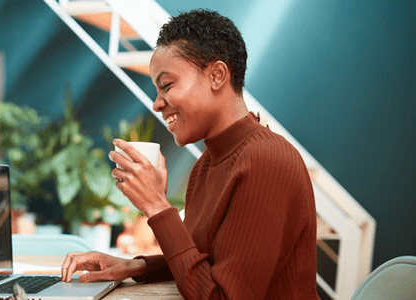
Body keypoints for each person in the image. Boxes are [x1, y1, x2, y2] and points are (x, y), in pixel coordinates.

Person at [61, 9, 320, 300]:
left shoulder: (266, 161)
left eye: (167, 85)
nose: (157, 104)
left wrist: (157, 206)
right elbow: (205, 263)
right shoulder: (206, 164)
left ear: (217, 75)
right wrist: (135, 266)